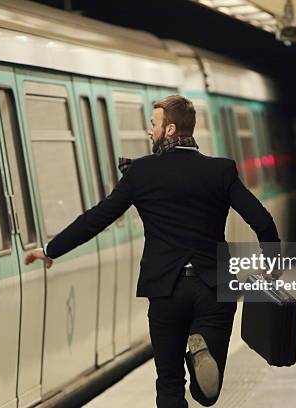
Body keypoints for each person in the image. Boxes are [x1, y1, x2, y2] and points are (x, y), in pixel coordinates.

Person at [24, 95, 279, 407]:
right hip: (214, 286)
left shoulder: (141, 173)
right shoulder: (220, 171)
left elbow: (98, 218)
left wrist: (52, 248)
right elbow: (262, 220)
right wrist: (272, 266)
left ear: (169, 130)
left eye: (153, 124)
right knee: (206, 394)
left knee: (169, 384)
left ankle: (192, 360)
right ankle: (199, 349)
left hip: (165, 289)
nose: (149, 131)